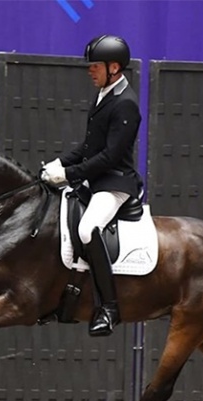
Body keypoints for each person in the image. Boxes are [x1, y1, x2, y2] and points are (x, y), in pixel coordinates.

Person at [41, 34, 143, 337]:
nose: (90, 70)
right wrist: (58, 164)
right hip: (95, 179)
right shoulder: (104, 95)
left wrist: (71, 174)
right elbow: (89, 146)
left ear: (114, 67)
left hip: (115, 183)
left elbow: (111, 156)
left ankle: (109, 307)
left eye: (95, 66)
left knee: (87, 229)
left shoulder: (126, 104)